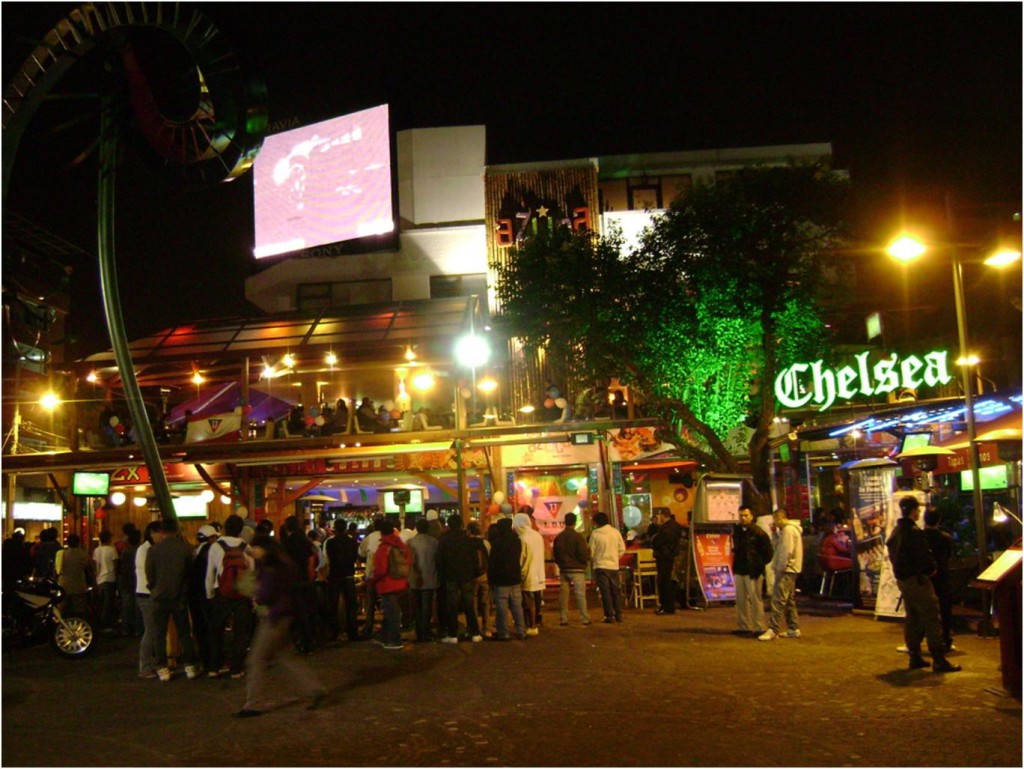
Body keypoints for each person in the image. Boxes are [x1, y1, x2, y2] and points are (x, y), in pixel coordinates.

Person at [233, 535, 326, 718]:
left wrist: (254, 588)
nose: (254, 551)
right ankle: (315, 688)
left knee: (255, 660)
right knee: (285, 658)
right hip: (283, 615)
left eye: (256, 548)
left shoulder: (270, 569)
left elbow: (264, 596)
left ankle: (253, 704)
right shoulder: (281, 565)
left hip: (273, 617)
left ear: (265, 550)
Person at [887, 497, 961, 673]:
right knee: (931, 616)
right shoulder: (913, 532)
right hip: (918, 580)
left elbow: (892, 551)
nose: (918, 513)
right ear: (913, 511)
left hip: (904, 580)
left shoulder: (897, 531)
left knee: (912, 617)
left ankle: (914, 655)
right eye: (917, 510)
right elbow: (923, 557)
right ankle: (939, 658)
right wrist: (930, 569)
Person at [146, 518, 201, 681]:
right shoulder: (185, 549)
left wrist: (153, 588)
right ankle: (189, 665)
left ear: (162, 532)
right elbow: (190, 574)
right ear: (177, 531)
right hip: (180, 596)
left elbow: (150, 574)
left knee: (159, 633)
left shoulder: (154, 550)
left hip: (159, 596)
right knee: (184, 633)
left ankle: (163, 668)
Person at [206, 515, 254, 678]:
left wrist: (209, 593)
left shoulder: (216, 546)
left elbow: (210, 573)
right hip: (241, 594)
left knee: (216, 630)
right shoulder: (246, 547)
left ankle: (214, 666)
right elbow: (251, 573)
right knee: (240, 632)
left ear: (225, 527)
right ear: (240, 530)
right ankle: (236, 668)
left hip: (222, 592)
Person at [436, 514, 487, 643]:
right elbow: (475, 559)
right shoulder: (468, 540)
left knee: (452, 605)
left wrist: (442, 574)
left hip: (450, 576)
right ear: (461, 525)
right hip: (466, 576)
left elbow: (439, 560)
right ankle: (474, 632)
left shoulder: (444, 540)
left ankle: (453, 634)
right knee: (468, 604)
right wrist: (474, 572)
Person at [759, 508, 803, 641]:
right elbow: (780, 547)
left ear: (779, 517)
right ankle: (793, 628)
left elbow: (785, 551)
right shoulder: (788, 531)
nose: (774, 523)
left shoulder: (788, 531)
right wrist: (775, 535)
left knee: (778, 599)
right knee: (789, 600)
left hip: (786, 570)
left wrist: (780, 567)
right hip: (791, 569)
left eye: (775, 519)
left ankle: (773, 628)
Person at [368, 520, 411, 649]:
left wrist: (372, 580)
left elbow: (381, 570)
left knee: (392, 614)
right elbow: (408, 561)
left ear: (381, 532)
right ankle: (384, 636)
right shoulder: (401, 545)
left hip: (387, 585)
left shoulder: (383, 548)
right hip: (402, 583)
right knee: (391, 612)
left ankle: (394, 640)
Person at [732, 506, 773, 637]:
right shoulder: (738, 531)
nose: (743, 518)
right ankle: (744, 626)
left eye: (745, 515)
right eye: (741, 515)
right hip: (740, 568)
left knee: (755, 599)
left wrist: (758, 565)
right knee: (741, 599)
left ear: (751, 516)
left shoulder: (758, 532)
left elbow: (768, 553)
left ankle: (759, 626)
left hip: (752, 570)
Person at [486, 517, 526, 640]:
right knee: (517, 606)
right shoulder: (517, 541)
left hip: (501, 580)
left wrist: (491, 580)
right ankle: (521, 630)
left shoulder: (497, 543)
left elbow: (492, 563)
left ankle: (503, 633)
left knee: (502, 608)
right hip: (515, 578)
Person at [281, 515, 317, 653]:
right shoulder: (306, 541)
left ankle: (302, 642)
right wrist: (310, 575)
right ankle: (310, 640)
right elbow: (311, 560)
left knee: (298, 613)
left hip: (294, 581)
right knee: (308, 611)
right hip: (306, 580)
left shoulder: (287, 543)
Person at [923, 508, 956, 652]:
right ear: (939, 520)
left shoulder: (920, 537)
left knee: (925, 609)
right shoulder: (945, 538)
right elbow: (949, 556)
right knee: (945, 608)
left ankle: (924, 639)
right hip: (942, 575)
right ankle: (945, 638)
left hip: (925, 576)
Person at [188, 524, 218, 673]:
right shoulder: (212, 550)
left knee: (200, 630)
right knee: (211, 629)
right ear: (211, 538)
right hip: (206, 595)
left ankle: (205, 661)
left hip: (193, 596)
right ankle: (213, 662)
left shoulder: (193, 552)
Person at [324, 519, 360, 642]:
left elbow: (329, 558)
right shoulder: (352, 542)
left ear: (335, 528)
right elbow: (355, 556)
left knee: (332, 605)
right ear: (345, 528)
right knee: (351, 605)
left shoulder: (330, 542)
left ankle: (334, 631)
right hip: (349, 574)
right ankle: (352, 632)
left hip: (335, 575)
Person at [553, 512, 591, 626]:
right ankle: (584, 617)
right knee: (580, 594)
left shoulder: (559, 537)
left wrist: (561, 564)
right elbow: (583, 553)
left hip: (564, 569)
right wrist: (584, 563)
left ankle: (563, 618)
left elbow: (556, 554)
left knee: (563, 596)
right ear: (575, 523)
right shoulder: (578, 537)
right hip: (577, 569)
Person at [135, 521, 162, 679]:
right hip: (146, 594)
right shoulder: (144, 550)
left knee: (154, 630)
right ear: (152, 532)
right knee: (151, 630)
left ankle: (152, 664)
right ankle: (145, 666)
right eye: (160, 533)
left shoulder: (148, 549)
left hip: (149, 593)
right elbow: (148, 573)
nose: (162, 536)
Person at [589, 512, 626, 623]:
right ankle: (619, 614)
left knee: (605, 592)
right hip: (613, 566)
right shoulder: (616, 532)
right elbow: (622, 549)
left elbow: (591, 551)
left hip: (600, 566)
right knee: (615, 590)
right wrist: (615, 557)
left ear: (597, 522)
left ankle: (609, 615)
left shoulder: (595, 534)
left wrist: (595, 559)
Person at [407, 518, 439, 642]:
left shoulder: (410, 542)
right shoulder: (434, 542)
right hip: (430, 578)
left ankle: (419, 632)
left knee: (416, 607)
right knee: (427, 608)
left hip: (414, 579)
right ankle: (425, 632)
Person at [513, 512, 546, 635]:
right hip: (539, 573)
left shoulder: (522, 538)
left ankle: (531, 625)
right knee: (537, 600)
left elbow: (521, 559)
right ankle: (536, 622)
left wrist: (519, 571)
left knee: (528, 601)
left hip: (528, 574)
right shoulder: (537, 535)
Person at [651, 508, 682, 614]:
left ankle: (665, 606)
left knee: (663, 581)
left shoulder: (666, 528)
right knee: (668, 581)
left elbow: (657, 541)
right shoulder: (676, 526)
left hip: (664, 557)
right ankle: (669, 605)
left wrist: (654, 540)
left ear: (663, 515)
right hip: (671, 556)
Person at [358, 517, 384, 638]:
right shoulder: (387, 536)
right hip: (384, 576)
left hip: (371, 574)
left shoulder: (369, 538)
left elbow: (361, 553)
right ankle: (386, 626)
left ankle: (369, 626)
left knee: (370, 602)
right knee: (386, 602)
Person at [55, 534, 90, 618]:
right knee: (79, 609)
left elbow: (56, 570)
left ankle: (61, 626)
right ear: (78, 542)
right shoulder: (83, 554)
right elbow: (88, 569)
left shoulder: (62, 554)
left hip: (63, 584)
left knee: (62, 609)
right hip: (79, 584)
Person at [467, 521, 491, 637]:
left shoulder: (467, 543)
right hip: (484, 576)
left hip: (472, 577)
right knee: (485, 603)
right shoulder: (485, 543)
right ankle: (486, 628)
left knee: (474, 603)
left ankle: (475, 629)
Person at [92, 529, 119, 633]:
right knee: (109, 603)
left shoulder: (96, 550)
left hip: (99, 579)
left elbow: (95, 565)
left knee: (101, 602)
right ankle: (107, 624)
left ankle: (100, 623)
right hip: (110, 577)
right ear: (109, 538)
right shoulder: (112, 550)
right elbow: (115, 564)